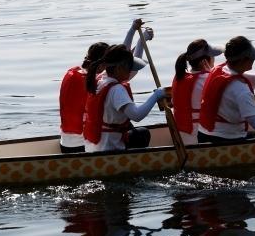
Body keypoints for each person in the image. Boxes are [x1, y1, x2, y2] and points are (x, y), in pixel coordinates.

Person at [58, 20, 152, 153]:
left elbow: (123, 60)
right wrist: (141, 42)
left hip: (65, 144)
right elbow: (129, 67)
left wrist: (132, 31)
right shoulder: (97, 82)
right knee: (141, 133)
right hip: (81, 146)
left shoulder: (72, 73)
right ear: (106, 65)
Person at [83, 44, 165, 152]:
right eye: (129, 67)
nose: (131, 70)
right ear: (118, 68)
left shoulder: (100, 79)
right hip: (109, 149)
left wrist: (138, 36)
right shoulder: (117, 90)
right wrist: (156, 95)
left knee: (140, 133)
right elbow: (137, 116)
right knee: (143, 134)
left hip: (93, 147)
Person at [172, 39, 223, 145]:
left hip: (181, 136)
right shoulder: (208, 79)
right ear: (205, 61)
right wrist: (212, 75)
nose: (214, 59)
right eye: (212, 56)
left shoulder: (179, 76)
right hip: (199, 138)